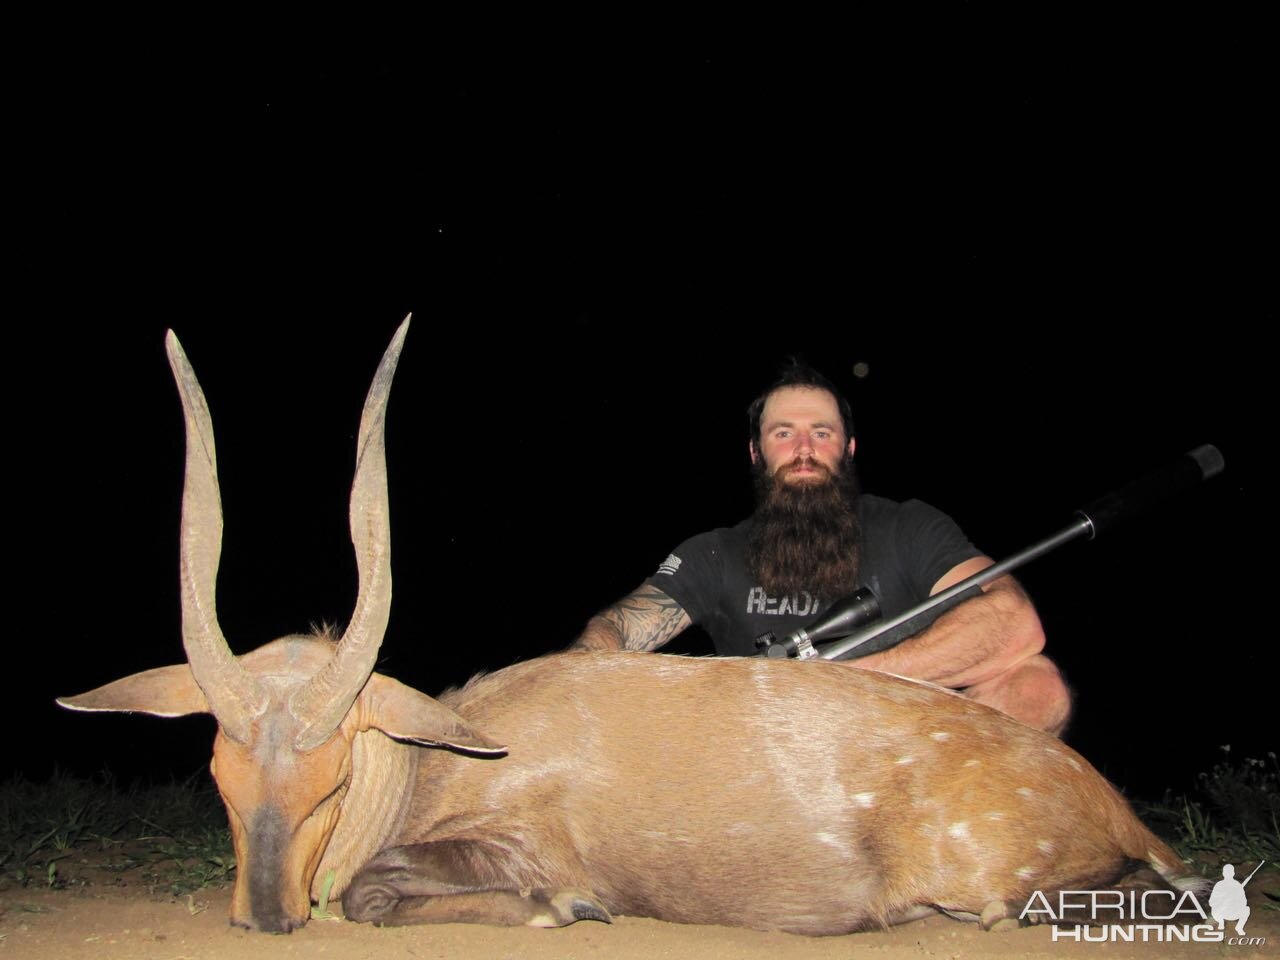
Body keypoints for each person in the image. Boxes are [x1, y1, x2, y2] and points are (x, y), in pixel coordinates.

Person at [570, 361, 1072, 735]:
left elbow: (1013, 621)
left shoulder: (909, 526)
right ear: (755, 451)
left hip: (898, 748)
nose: (804, 449)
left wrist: (843, 678)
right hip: (763, 749)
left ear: (849, 448)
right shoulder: (713, 552)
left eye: (822, 433)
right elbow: (619, 626)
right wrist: (577, 676)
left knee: (1037, 685)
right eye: (783, 433)